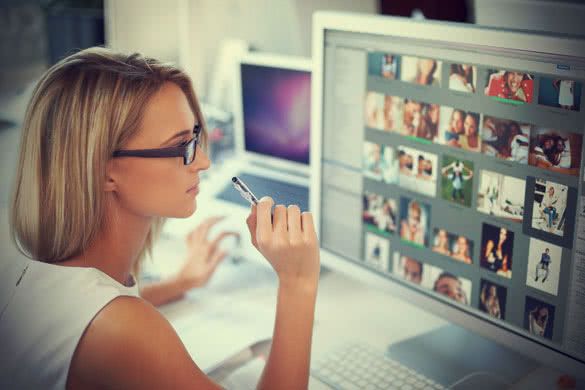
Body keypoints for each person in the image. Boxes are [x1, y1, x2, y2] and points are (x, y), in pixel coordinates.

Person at [2, 48, 321, 390]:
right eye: (181, 146)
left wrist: (181, 283)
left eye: (196, 136)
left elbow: (90, 316)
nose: (202, 162)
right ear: (104, 171)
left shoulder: (35, 272)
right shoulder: (122, 330)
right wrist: (297, 282)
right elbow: (115, 330)